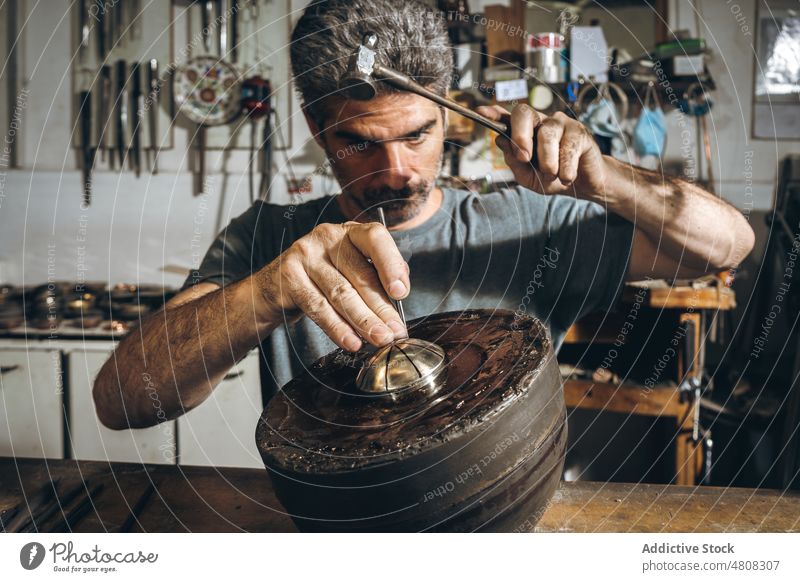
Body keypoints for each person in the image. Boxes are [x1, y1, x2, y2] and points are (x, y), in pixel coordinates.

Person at [93, 0, 754, 430]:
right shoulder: (269, 238)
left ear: (447, 113)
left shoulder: (522, 226)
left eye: (416, 135)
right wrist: (264, 295)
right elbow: (120, 402)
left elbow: (728, 244)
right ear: (317, 130)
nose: (397, 171)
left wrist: (605, 177)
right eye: (359, 142)